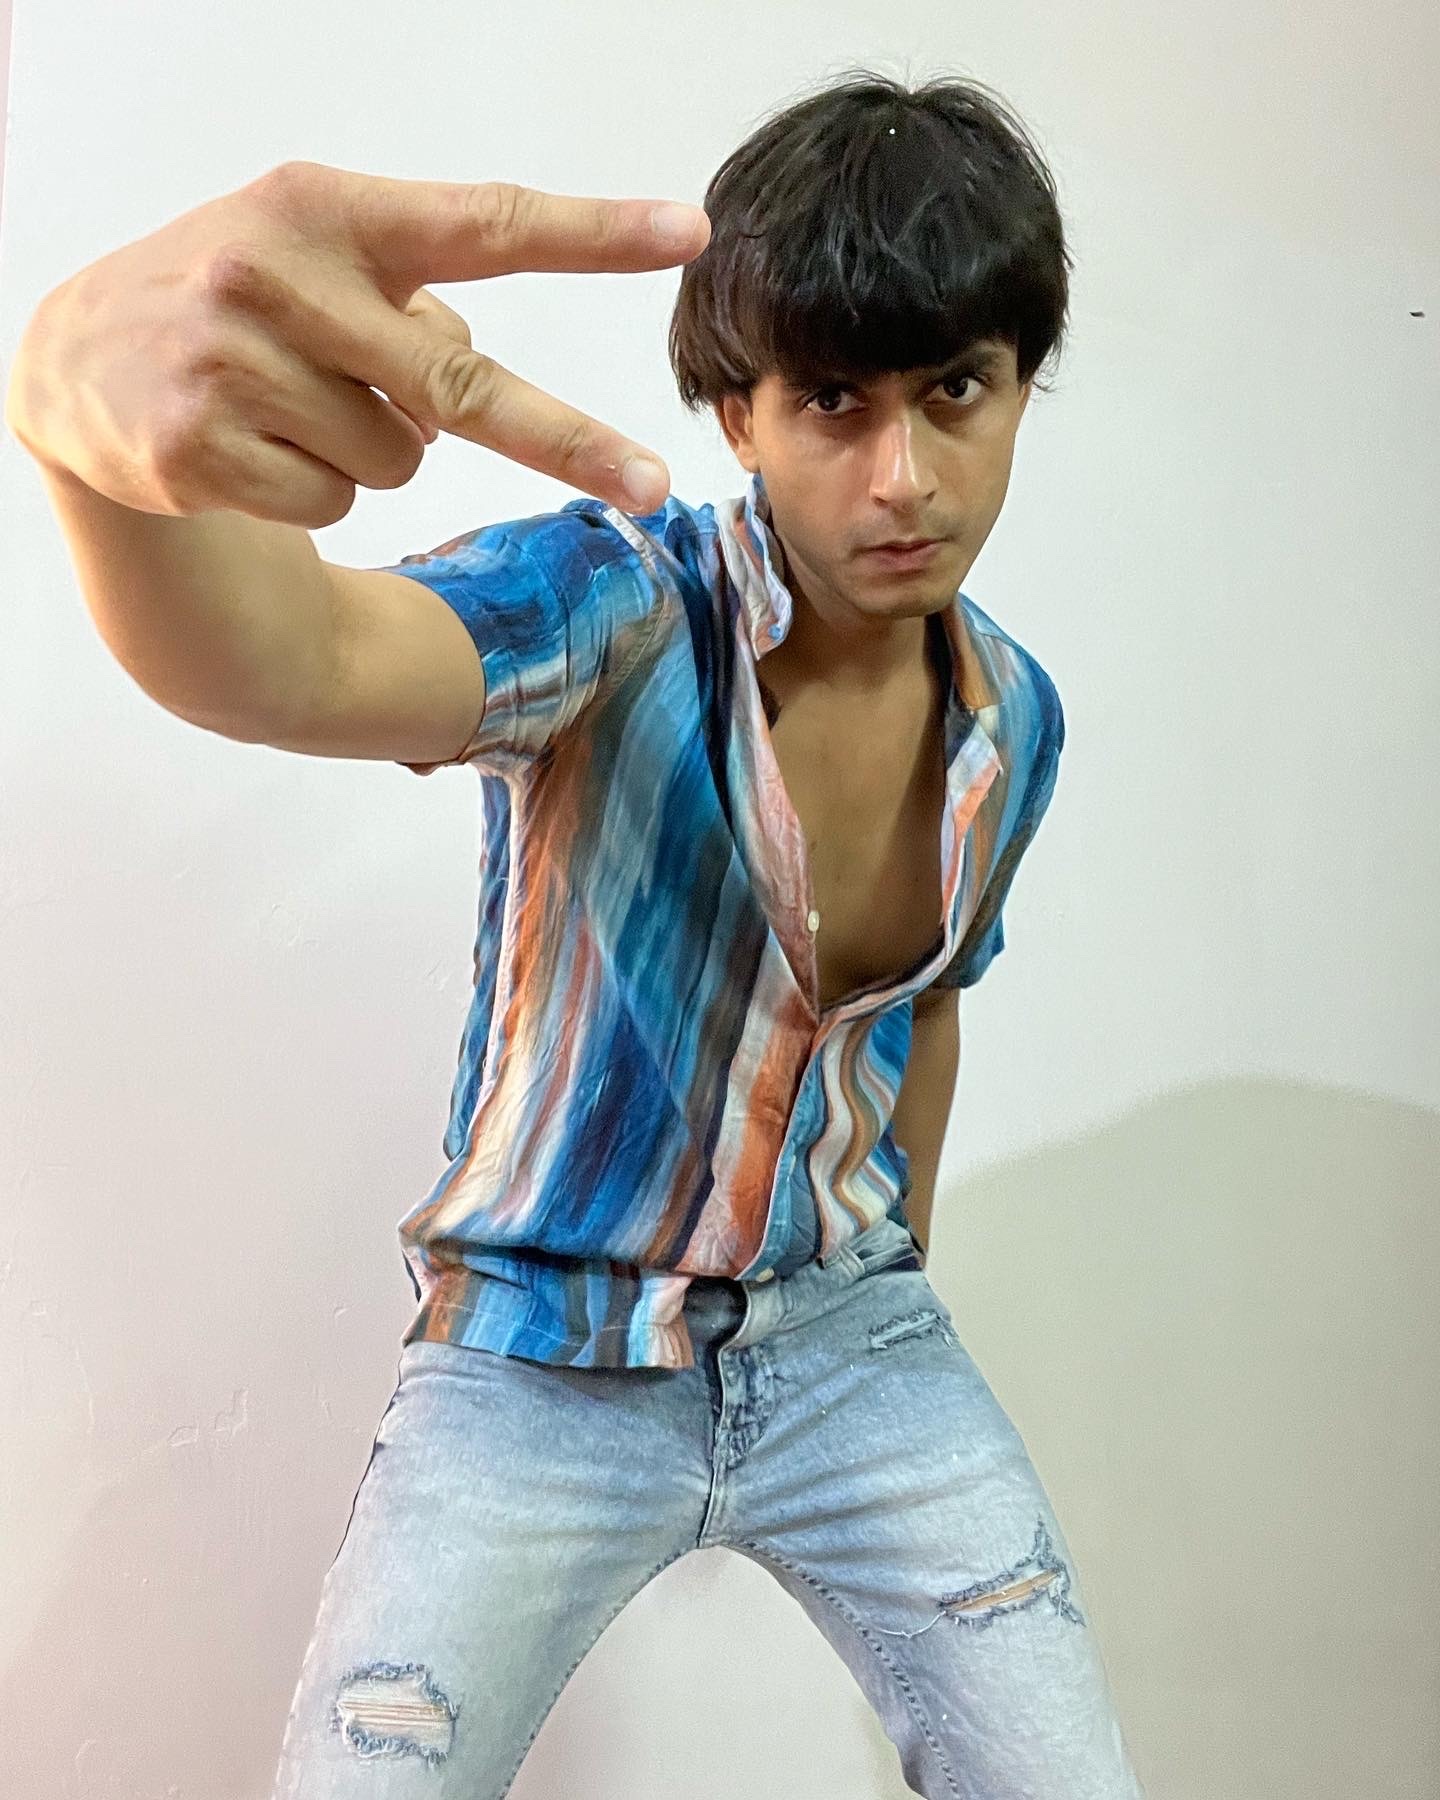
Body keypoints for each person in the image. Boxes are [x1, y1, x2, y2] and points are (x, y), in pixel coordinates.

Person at [10, 59, 1145, 1800]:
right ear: (739, 415)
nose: (904, 476)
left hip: (847, 1337)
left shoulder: (1019, 719)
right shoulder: (619, 604)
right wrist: (83, 436)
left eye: (956, 390)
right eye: (833, 401)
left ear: (1017, 384)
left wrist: (896, 1272)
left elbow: (929, 1007)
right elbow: (294, 658)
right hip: (541, 1359)